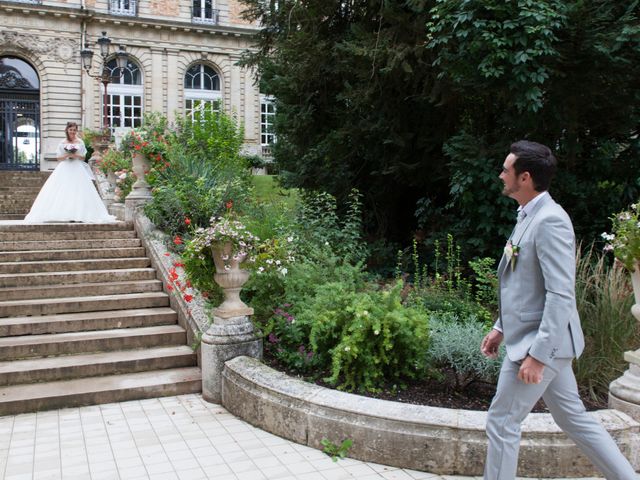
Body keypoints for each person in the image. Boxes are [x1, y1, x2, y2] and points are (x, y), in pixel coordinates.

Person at [481, 140, 637, 480]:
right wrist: (501, 327)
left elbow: (560, 294)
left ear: (524, 177)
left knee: (502, 420)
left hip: (541, 344)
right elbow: (522, 286)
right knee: (574, 418)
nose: (500, 175)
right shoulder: (528, 215)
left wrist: (539, 356)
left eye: (505, 170)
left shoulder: (551, 220)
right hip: (542, 340)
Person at [24, 122, 115, 223]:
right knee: (62, 189)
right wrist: (67, 155)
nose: (72, 132)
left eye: (74, 130)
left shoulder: (80, 141)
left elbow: (84, 157)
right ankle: (62, 213)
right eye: (71, 130)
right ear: (67, 130)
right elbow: (58, 157)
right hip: (65, 166)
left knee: (79, 189)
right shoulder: (62, 142)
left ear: (76, 131)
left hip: (77, 166)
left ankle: (80, 213)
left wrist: (75, 156)